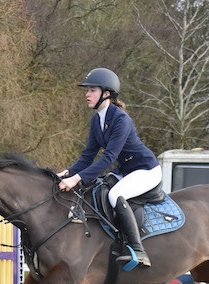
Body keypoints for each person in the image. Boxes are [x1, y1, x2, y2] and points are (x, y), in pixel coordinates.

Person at [57, 67, 161, 268]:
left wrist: (76, 179)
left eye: (92, 90)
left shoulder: (120, 119)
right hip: (127, 171)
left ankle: (138, 250)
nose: (87, 94)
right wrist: (68, 172)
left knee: (115, 195)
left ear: (106, 93)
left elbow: (108, 158)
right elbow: (87, 156)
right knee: (99, 191)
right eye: (87, 90)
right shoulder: (97, 120)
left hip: (146, 169)